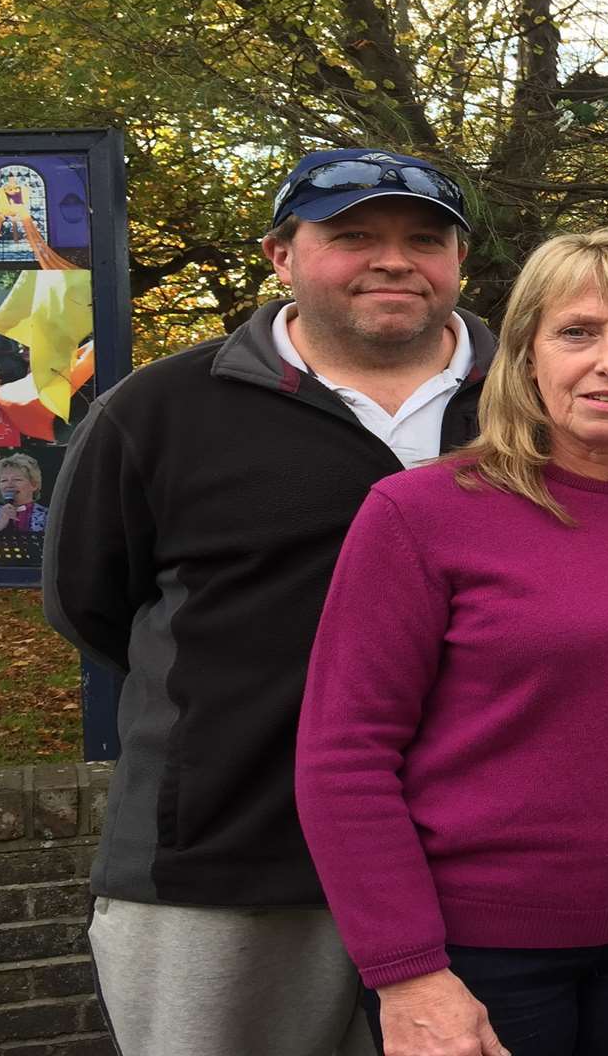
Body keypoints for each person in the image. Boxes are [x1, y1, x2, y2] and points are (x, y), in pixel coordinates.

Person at [294, 228, 608, 1056]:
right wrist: (407, 971)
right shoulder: (420, 513)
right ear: (527, 355)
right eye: (578, 332)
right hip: (475, 953)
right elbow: (345, 754)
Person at [42, 147, 492, 1056]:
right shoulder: (159, 412)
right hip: (226, 858)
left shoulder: (538, 402)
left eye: (424, 238)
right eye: (352, 236)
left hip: (481, 857)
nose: (394, 260)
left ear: (459, 261)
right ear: (281, 255)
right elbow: (92, 604)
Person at [0, 452, 42, 531]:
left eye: (17, 479)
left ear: (34, 485)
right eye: (4, 480)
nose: (9, 485)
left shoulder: (50, 516)